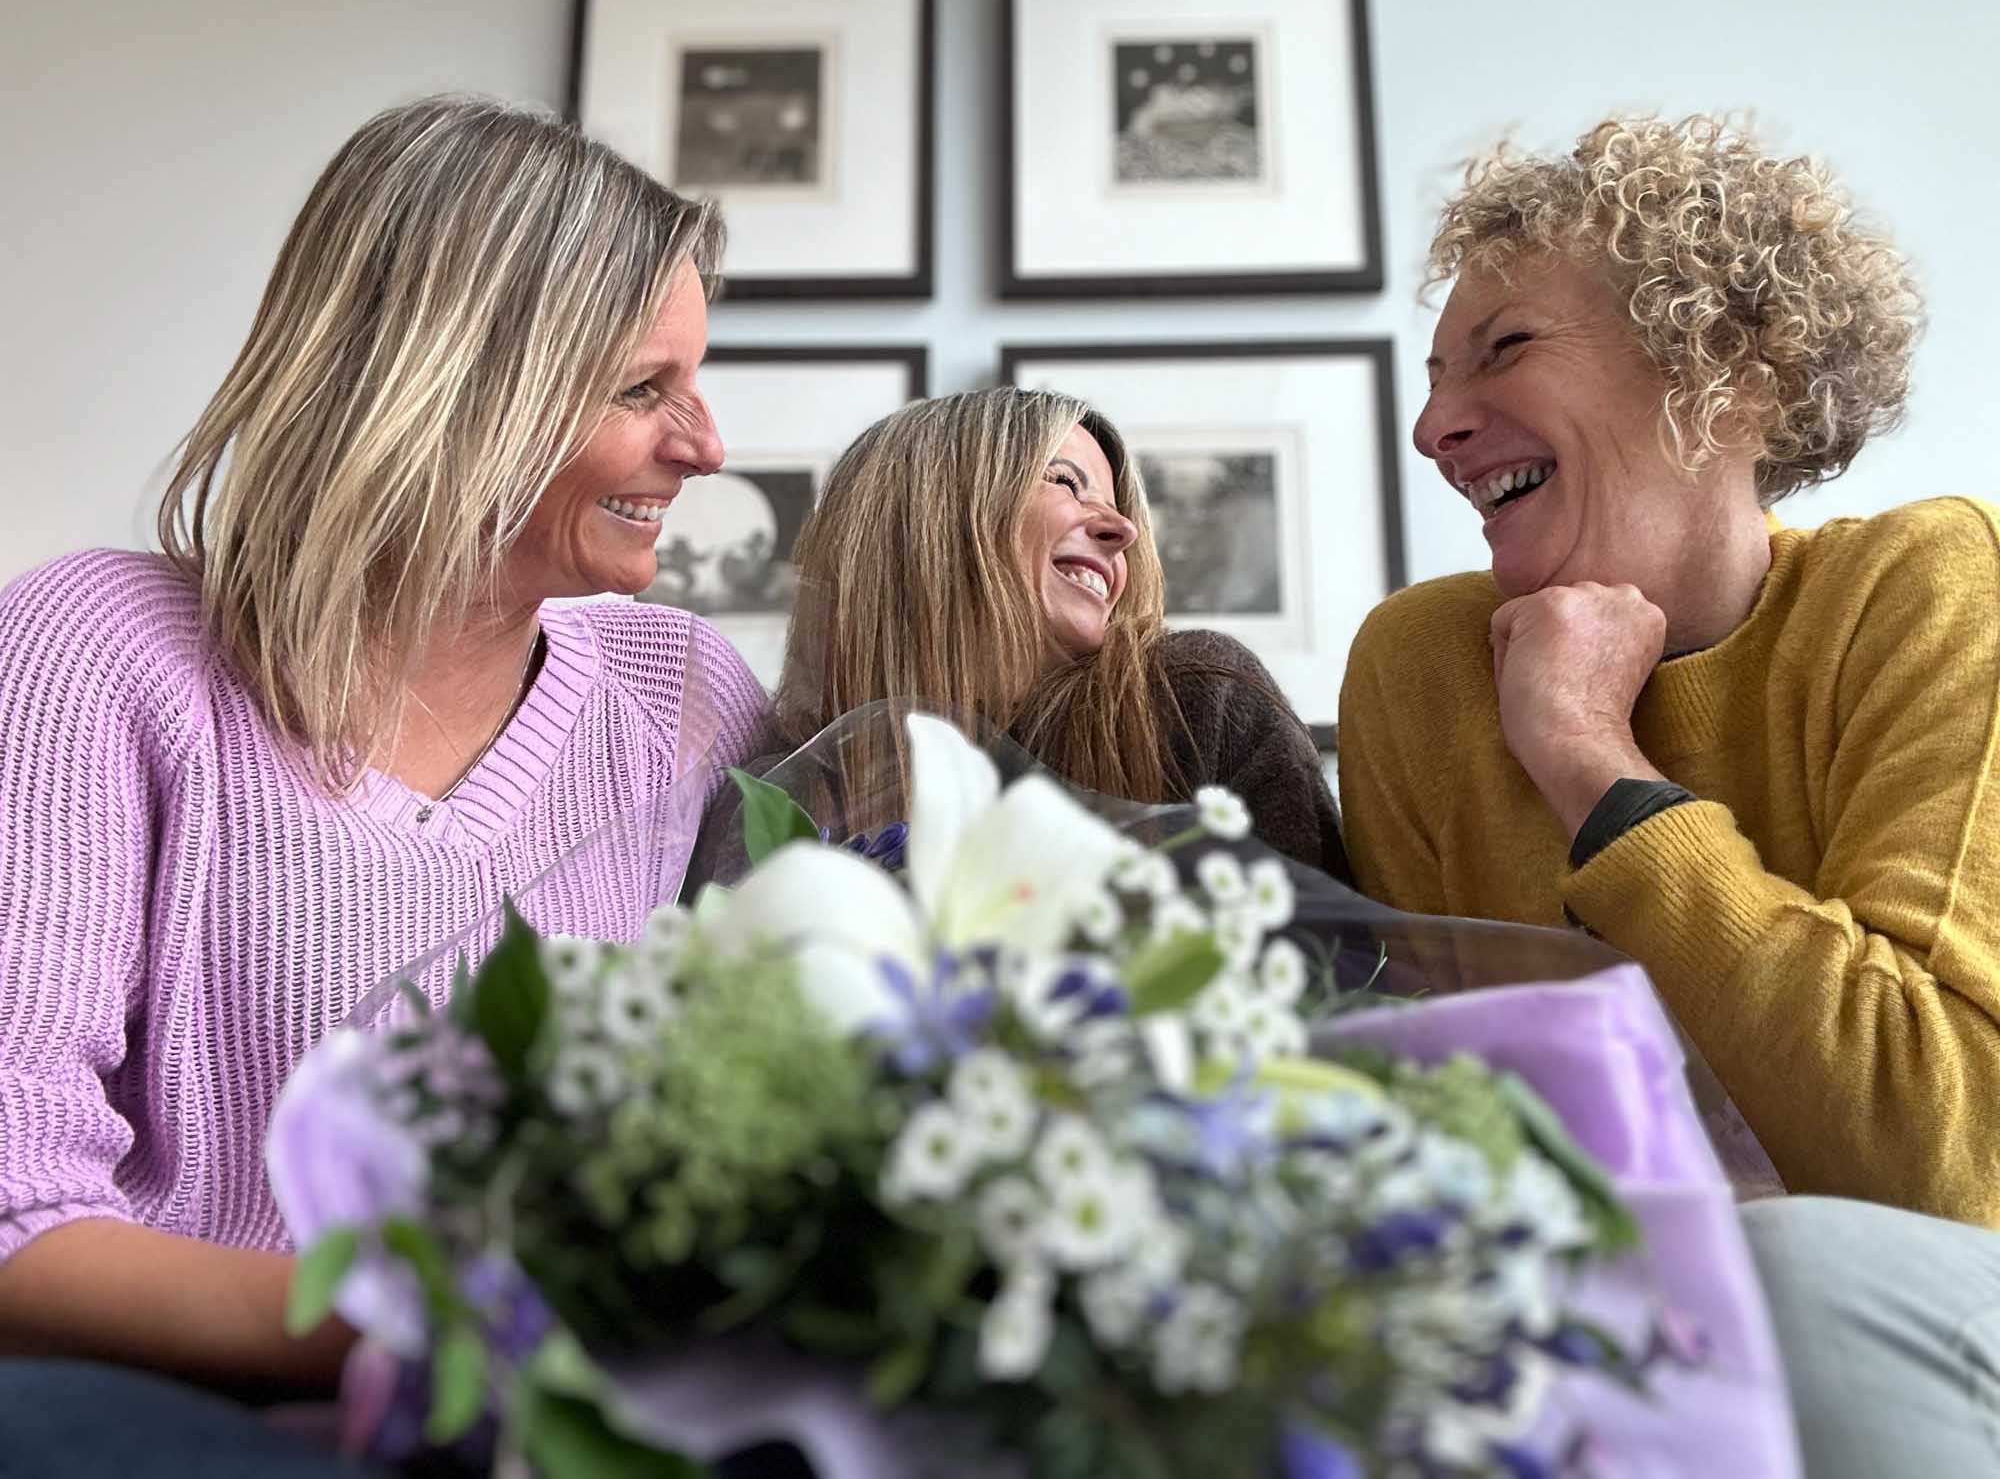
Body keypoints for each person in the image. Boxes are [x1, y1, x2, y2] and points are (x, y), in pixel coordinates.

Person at [0, 96, 766, 1470]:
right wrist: (452, 1317)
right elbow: (13, 1232)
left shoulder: (687, 699)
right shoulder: (96, 652)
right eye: (645, 389)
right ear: (461, 384)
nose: (705, 445)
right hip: (192, 1425)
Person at [1337, 112, 2000, 1476]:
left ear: (1731, 378)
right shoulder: (1420, 667)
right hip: (1601, 1346)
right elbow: (1448, 1142)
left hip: (1913, 1307)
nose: (1433, 425)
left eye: (1506, 347)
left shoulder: (1928, 588)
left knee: (1797, 1279)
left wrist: (1591, 761)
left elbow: (1943, 1166)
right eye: (1433, 375)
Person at [710, 387, 1347, 882]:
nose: (1121, 532)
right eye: (1067, 483)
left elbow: (1340, 982)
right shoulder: (779, 794)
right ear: (933, 520)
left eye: (1120, 508)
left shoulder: (1196, 700)